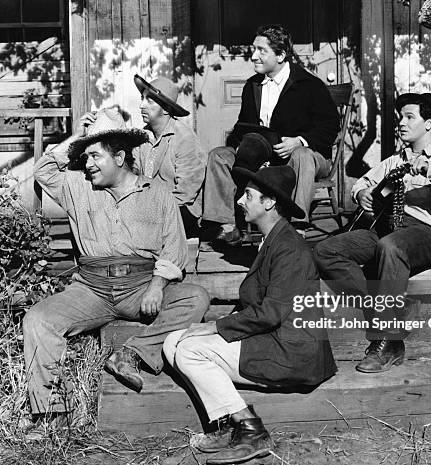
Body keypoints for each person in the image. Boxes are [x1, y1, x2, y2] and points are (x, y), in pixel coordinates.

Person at [24, 108, 210, 428]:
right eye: (85, 157)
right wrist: (78, 137)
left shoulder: (158, 194)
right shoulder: (78, 187)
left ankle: (131, 355)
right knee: (38, 319)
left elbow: (175, 248)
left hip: (140, 288)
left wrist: (157, 284)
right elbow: (43, 170)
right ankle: (49, 415)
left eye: (95, 156)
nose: (88, 164)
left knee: (196, 297)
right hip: (90, 290)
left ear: (120, 157)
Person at [164, 165, 336, 464]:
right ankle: (226, 424)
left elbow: (270, 312)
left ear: (269, 203)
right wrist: (215, 329)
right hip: (272, 339)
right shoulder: (272, 239)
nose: (240, 201)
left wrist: (216, 327)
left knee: (190, 350)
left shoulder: (290, 249)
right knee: (173, 342)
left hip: (291, 352)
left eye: (248, 195)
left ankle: (250, 427)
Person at [313, 92, 431, 373]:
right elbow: (364, 182)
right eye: (400, 117)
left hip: (427, 234)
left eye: (409, 117)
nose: (401, 123)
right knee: (326, 250)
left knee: (390, 247)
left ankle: (388, 341)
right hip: (385, 229)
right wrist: (362, 193)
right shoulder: (395, 160)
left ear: (429, 123)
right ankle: (388, 309)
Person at [202, 24, 339, 245]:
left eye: (261, 51)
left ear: (281, 55)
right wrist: (242, 144)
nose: (254, 56)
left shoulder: (309, 85)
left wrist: (299, 141)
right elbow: (241, 127)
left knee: (302, 155)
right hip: (265, 156)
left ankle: (297, 228)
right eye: (254, 49)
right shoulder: (252, 86)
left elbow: (330, 127)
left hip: (309, 157)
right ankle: (227, 226)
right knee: (219, 155)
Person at [133, 75, 207, 238]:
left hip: (180, 212)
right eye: (142, 99)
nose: (141, 106)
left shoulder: (184, 138)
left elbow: (185, 192)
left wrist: (152, 211)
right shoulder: (143, 137)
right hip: (149, 208)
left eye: (149, 101)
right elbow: (133, 175)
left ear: (166, 109)